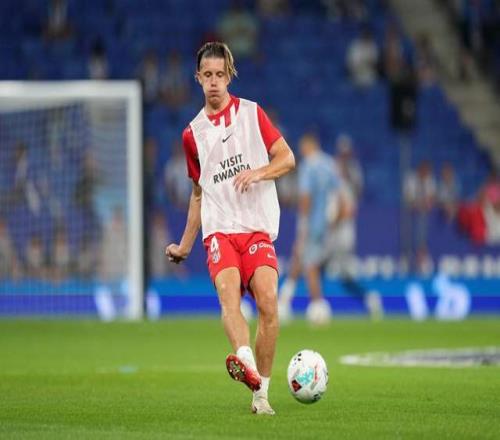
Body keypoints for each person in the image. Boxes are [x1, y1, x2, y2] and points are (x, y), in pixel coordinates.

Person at [165, 42, 295, 415]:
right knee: (229, 297)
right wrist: (185, 245)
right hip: (220, 231)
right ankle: (245, 360)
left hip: (256, 228)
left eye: (220, 75)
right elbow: (198, 194)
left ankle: (261, 395)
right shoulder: (192, 134)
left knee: (269, 303)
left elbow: (287, 158)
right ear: (197, 78)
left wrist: (259, 172)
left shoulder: (252, 114)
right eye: (207, 75)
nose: (214, 82)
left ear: (229, 76)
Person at [277, 133, 339, 325]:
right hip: (326, 224)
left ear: (309, 146)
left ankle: (317, 305)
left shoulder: (308, 167)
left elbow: (305, 197)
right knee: (300, 259)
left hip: (311, 222)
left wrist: (303, 225)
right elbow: (338, 196)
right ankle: (284, 301)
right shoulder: (330, 164)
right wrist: (333, 221)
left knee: (309, 264)